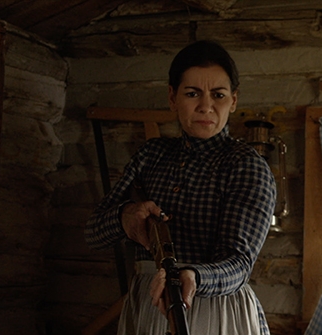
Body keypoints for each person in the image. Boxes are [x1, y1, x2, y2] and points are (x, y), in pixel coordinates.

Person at [85, 40, 276, 335]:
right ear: (173, 97)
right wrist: (125, 218)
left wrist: (194, 277)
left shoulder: (246, 166)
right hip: (147, 303)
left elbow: (239, 263)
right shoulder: (151, 156)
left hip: (216, 310)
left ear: (234, 100)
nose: (206, 106)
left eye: (219, 95)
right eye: (192, 93)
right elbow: (93, 232)